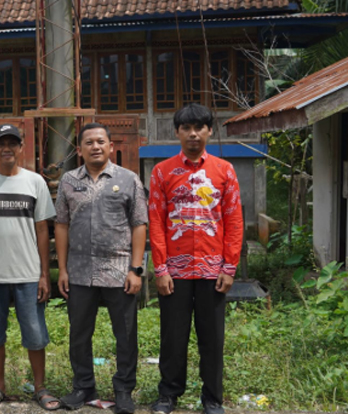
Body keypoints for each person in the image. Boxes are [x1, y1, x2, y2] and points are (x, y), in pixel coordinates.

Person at [148, 104, 243, 414]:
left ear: (209, 131)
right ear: (177, 132)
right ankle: (168, 395)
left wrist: (229, 267)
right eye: (186, 128)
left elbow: (234, 220)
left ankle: (212, 398)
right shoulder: (161, 172)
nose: (193, 134)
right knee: (172, 338)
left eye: (199, 127)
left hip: (212, 270)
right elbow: (156, 221)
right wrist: (161, 269)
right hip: (174, 272)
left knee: (212, 339)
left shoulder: (224, 170)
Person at [0, 124, 61, 411]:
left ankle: (40, 387)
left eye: (12, 143)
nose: (7, 148)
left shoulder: (35, 182)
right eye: (1, 144)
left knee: (35, 334)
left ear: (21, 147)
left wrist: (44, 275)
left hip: (28, 274)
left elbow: (42, 230)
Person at [55, 123, 148, 412]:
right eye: (89, 142)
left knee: (126, 335)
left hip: (120, 271)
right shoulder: (69, 180)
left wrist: (136, 269)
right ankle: (83, 387)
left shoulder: (128, 179)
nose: (95, 147)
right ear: (79, 149)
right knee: (79, 334)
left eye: (100, 141)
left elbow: (139, 224)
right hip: (80, 271)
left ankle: (124, 390)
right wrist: (63, 269)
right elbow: (61, 225)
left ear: (110, 146)